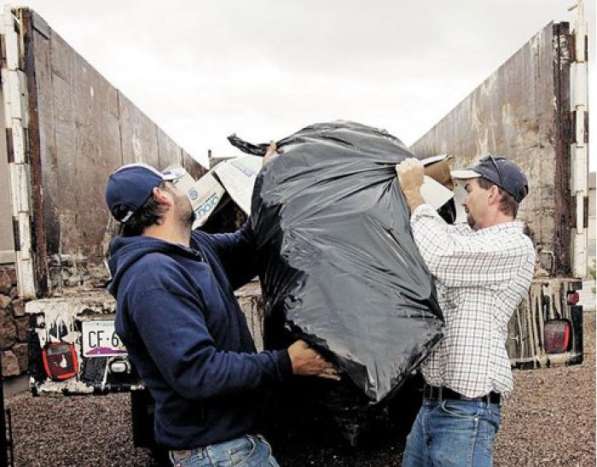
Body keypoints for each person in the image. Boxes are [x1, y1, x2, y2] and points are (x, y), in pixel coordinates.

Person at [105, 154, 337, 466]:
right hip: (217, 454)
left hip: (234, 446)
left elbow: (250, 244)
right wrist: (285, 363)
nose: (181, 190)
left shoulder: (193, 249)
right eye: (172, 184)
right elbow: (198, 372)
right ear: (161, 197)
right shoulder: (153, 278)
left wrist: (269, 182)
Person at [395, 155, 536, 467]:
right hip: (431, 405)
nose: (464, 197)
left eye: (469, 189)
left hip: (466, 413)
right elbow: (443, 230)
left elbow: (441, 255)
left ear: (494, 193)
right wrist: (428, 183)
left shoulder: (513, 246)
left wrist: (414, 194)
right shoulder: (469, 237)